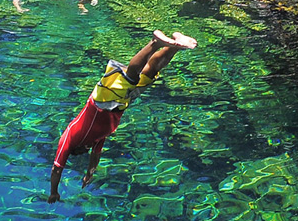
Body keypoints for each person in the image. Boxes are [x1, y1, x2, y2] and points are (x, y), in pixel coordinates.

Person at [47, 30, 198, 204]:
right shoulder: (95, 140)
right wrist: (89, 173)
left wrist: (53, 192)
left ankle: (155, 43)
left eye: (82, 151)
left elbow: (57, 169)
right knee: (149, 74)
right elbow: (96, 156)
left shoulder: (69, 136)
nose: (86, 151)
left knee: (130, 76)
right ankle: (175, 45)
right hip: (120, 104)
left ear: (77, 150)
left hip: (101, 100)